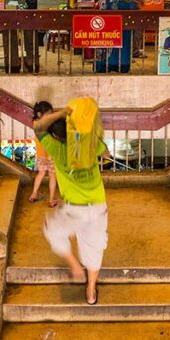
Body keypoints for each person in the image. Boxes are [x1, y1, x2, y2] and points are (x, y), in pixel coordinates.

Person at [32, 101, 109, 305]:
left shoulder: (56, 149)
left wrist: (63, 111)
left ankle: (74, 266)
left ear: (56, 136)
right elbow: (107, 152)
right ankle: (91, 291)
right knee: (94, 248)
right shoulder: (88, 143)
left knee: (51, 228)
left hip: (74, 210)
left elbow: (38, 127)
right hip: (98, 207)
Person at [28, 101, 59, 207]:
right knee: (52, 175)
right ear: (40, 114)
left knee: (41, 173)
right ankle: (51, 200)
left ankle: (33, 195)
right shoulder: (47, 125)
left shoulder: (35, 123)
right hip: (51, 155)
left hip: (40, 154)